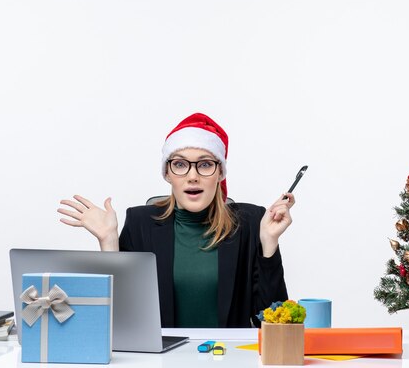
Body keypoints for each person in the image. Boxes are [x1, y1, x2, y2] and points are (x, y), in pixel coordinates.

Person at [58, 113, 294, 328]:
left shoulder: (250, 222)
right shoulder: (141, 224)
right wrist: (108, 242)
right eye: (180, 164)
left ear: (220, 173)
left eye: (205, 164)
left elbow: (273, 320)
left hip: (228, 358)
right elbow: (121, 321)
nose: (192, 176)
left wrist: (269, 243)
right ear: (167, 173)